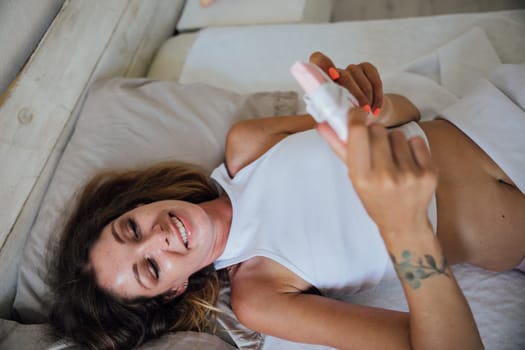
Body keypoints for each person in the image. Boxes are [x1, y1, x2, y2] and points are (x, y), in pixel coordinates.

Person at [49, 52, 525, 350]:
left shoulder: (249, 145)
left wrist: (365, 101)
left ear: (135, 206)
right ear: (173, 290)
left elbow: (405, 113)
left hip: (505, 105)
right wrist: (407, 234)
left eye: (131, 229)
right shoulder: (261, 297)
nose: (159, 237)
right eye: (150, 268)